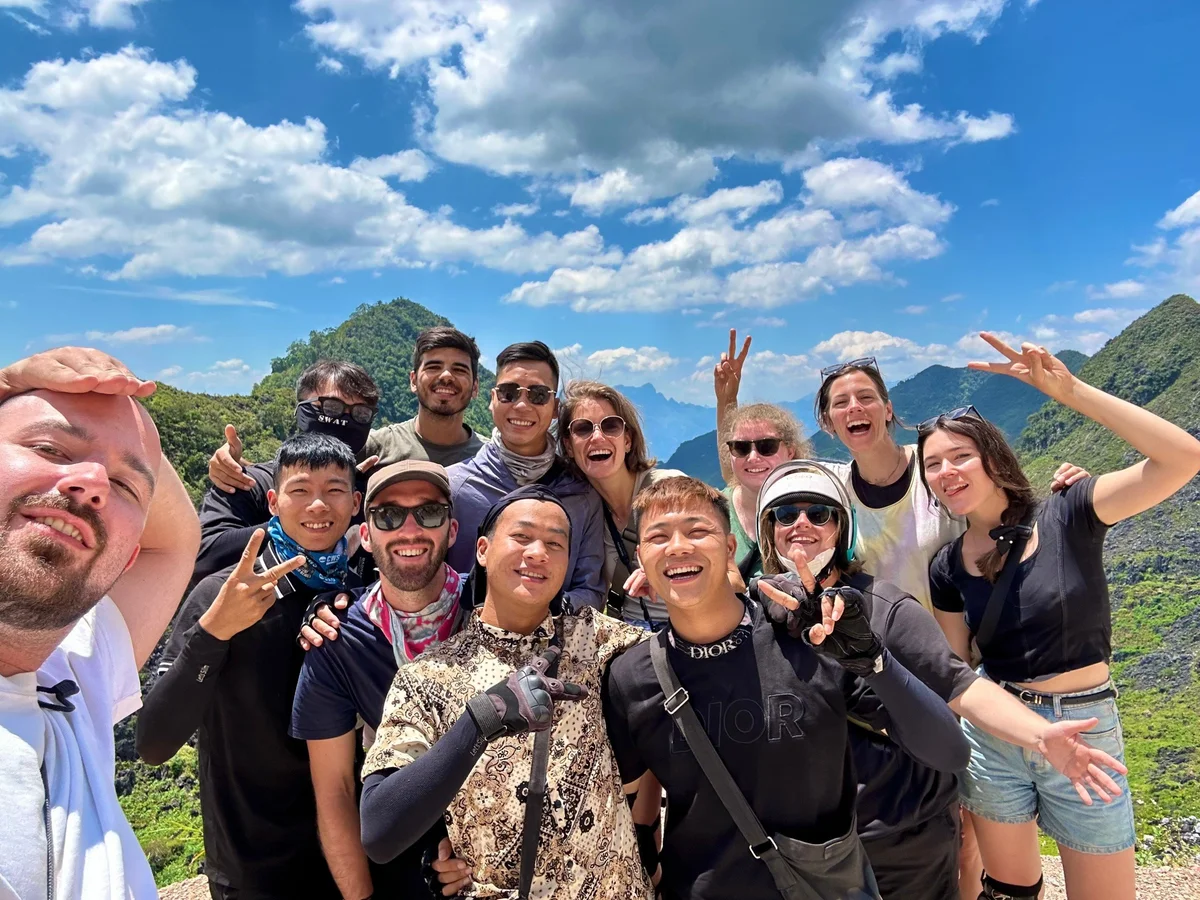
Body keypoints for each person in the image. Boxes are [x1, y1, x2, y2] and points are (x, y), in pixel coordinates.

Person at [752, 460, 1128, 900]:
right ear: (767, 530)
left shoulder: (884, 610)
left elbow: (960, 686)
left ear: (841, 529)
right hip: (799, 849)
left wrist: (1040, 735)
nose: (801, 524)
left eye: (819, 513)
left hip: (900, 840)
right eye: (784, 514)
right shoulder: (754, 617)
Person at [921, 334, 1200, 900]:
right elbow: (956, 672)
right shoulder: (948, 566)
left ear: (993, 459)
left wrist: (1071, 392)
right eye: (932, 464)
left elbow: (1183, 459)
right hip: (998, 731)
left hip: (1085, 725)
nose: (946, 471)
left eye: (959, 456)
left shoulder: (1070, 511)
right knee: (1010, 891)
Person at [603, 475, 970, 900]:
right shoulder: (630, 677)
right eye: (658, 536)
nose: (678, 546)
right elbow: (633, 811)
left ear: (728, 549)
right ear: (640, 558)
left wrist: (874, 662)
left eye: (697, 530)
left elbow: (950, 752)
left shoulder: (808, 640)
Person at [357, 486, 653, 898]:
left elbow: (687, 654)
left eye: (555, 543)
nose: (538, 553)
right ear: (482, 549)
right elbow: (379, 830)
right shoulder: (428, 677)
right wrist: (481, 720)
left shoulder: (595, 640)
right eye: (522, 537)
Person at [0, 347, 200, 899]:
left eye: (122, 487)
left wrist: (131, 432)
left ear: (129, 555)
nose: (89, 483)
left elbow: (176, 543)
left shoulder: (73, 677)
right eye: (47, 447)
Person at [137, 432, 364, 900]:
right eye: (301, 491)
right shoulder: (222, 594)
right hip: (252, 866)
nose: (318, 505)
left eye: (334, 490)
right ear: (274, 502)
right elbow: (154, 743)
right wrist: (215, 632)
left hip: (350, 851)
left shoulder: (360, 594)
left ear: (356, 503)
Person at [290, 460, 468, 899]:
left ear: (453, 530)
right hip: (405, 854)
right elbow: (335, 788)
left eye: (429, 513)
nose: (410, 530)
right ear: (365, 535)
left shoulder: (490, 609)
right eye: (389, 515)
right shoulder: (337, 640)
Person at [193, 359, 381, 586]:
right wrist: (294, 525)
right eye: (332, 407)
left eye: (361, 413)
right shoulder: (250, 482)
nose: (347, 420)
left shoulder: (373, 493)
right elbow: (202, 557)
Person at [448, 342, 605, 611]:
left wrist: (543, 610)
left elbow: (590, 590)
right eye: (509, 393)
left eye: (538, 395)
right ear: (492, 399)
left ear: (555, 408)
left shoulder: (582, 496)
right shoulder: (455, 487)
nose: (522, 405)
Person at [557, 379, 684, 629]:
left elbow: (728, 576)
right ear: (569, 446)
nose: (597, 437)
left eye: (610, 426)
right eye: (582, 429)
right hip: (628, 637)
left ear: (627, 440)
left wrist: (666, 571)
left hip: (687, 629)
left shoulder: (669, 489)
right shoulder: (583, 512)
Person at [713, 332, 809, 580]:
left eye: (767, 446)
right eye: (741, 448)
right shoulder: (712, 512)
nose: (753, 456)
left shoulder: (815, 511)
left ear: (790, 450)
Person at [363, 326, 489, 466]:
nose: (446, 376)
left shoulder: (491, 459)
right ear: (413, 381)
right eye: (433, 367)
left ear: (475, 386)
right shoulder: (374, 448)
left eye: (459, 370)